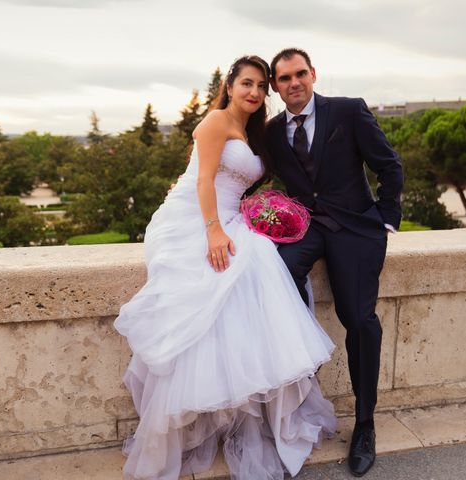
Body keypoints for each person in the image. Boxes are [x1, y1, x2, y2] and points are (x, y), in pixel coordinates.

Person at [114, 55, 336, 480]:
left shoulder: (254, 134)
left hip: (229, 217)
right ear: (230, 85)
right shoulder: (216, 121)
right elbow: (203, 181)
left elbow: (234, 181)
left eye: (260, 87)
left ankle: (251, 410)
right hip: (194, 220)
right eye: (247, 84)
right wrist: (214, 231)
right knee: (228, 280)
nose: (254, 92)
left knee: (261, 273)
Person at [260, 48, 404, 477]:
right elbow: (256, 177)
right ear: (276, 86)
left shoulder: (348, 111)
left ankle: (364, 424)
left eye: (300, 74)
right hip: (306, 229)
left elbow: (388, 165)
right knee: (271, 279)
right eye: (284, 78)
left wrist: (387, 218)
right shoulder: (270, 132)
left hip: (356, 228)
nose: (294, 83)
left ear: (313, 74)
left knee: (358, 319)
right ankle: (291, 402)